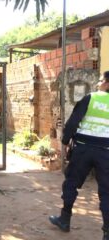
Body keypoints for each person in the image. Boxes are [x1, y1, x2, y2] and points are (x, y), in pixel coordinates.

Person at [49, 71, 109, 240]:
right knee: (107, 192)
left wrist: (66, 141)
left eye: (101, 81)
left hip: (83, 149)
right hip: (106, 152)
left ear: (107, 83)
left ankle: (64, 219)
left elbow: (73, 121)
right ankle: (107, 233)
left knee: (71, 184)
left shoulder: (91, 98)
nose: (98, 83)